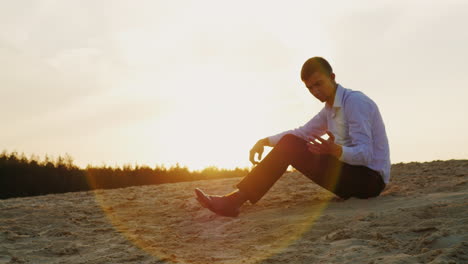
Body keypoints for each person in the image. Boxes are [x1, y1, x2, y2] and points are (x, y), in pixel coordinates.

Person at [195, 56, 390, 217]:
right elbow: (301, 133)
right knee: (291, 142)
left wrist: (335, 150)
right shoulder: (329, 109)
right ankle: (235, 199)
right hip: (351, 176)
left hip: (369, 182)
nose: (315, 91)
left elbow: (365, 155)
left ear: (332, 77)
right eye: (310, 88)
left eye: (319, 84)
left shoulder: (355, 102)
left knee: (291, 144)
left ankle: (233, 201)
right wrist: (264, 141)